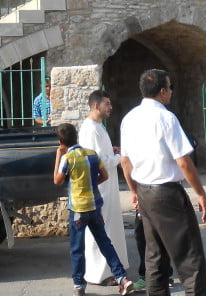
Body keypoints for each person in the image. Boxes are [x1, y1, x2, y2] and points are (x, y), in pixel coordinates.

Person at [120, 69, 206, 296]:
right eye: (170, 88)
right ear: (162, 91)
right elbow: (183, 161)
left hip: (144, 191)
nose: (171, 92)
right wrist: (200, 192)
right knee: (190, 259)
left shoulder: (129, 118)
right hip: (166, 192)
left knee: (155, 258)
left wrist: (134, 191)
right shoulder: (166, 118)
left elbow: (125, 161)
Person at [53, 122, 134, 296]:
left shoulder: (68, 158)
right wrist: (91, 185)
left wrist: (58, 156)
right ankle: (122, 278)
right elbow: (104, 176)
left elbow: (57, 180)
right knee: (105, 242)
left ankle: (79, 285)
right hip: (95, 207)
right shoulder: (92, 154)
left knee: (77, 247)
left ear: (61, 142)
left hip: (78, 210)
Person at [78, 90, 129, 285]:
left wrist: (112, 151)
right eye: (107, 103)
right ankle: (100, 273)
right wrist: (119, 158)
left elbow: (101, 152)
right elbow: (95, 159)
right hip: (101, 187)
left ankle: (112, 269)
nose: (111, 107)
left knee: (109, 226)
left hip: (108, 185)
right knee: (102, 229)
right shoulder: (90, 128)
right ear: (96, 105)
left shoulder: (99, 126)